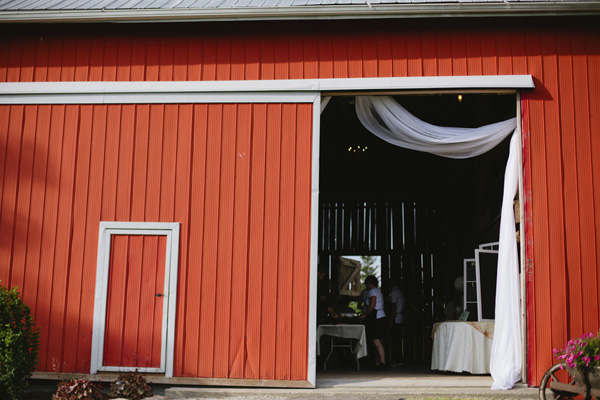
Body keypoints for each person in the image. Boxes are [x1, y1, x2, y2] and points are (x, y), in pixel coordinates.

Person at [360, 275, 387, 370]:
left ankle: (382, 362)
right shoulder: (377, 291)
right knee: (377, 340)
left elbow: (371, 306)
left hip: (376, 317)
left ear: (369, 283)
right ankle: (378, 362)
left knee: (376, 340)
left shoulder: (372, 292)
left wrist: (364, 315)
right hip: (380, 316)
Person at [388, 280, 405, 367]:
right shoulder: (400, 292)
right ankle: (399, 360)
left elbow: (394, 307)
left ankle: (397, 360)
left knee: (395, 340)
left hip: (396, 318)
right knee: (397, 340)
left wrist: (391, 320)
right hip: (400, 317)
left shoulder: (394, 293)